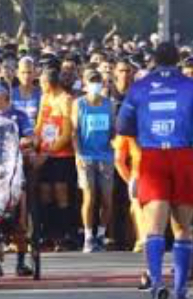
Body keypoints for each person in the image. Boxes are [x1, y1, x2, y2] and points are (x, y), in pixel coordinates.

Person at [118, 42, 193, 299]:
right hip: (183, 154)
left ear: (154, 59)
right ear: (178, 60)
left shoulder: (139, 87)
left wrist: (142, 132)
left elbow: (121, 125)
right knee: (182, 228)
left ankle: (156, 283)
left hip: (153, 156)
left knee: (154, 227)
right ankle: (180, 289)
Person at [0, 80, 35, 277]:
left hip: (12, 168)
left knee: (19, 209)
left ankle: (20, 262)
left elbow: (30, 136)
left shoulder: (18, 115)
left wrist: (24, 141)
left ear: (5, 96)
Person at [72, 69, 116, 253]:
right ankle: (88, 237)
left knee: (107, 199)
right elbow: (74, 131)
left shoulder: (109, 104)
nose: (95, 84)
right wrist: (78, 154)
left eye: (98, 80)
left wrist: (116, 145)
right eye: (91, 81)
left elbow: (113, 129)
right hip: (86, 156)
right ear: (85, 83)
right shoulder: (79, 104)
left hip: (106, 156)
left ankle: (100, 234)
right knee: (89, 196)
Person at [34, 64, 77, 249]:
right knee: (44, 193)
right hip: (44, 153)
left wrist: (48, 152)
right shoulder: (44, 98)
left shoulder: (66, 100)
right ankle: (47, 233)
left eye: (42, 82)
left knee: (61, 192)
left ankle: (65, 234)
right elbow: (39, 125)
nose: (40, 85)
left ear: (48, 82)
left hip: (61, 154)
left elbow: (67, 134)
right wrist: (32, 143)